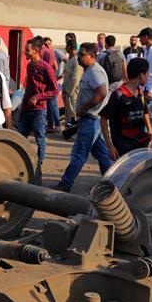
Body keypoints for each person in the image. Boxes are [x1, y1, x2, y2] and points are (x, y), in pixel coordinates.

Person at [53, 43, 113, 192]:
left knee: (79, 154)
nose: (79, 57)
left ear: (91, 56)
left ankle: (65, 184)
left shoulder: (94, 72)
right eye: (79, 54)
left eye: (82, 55)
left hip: (91, 119)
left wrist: (84, 108)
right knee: (102, 155)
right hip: (93, 120)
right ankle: (113, 182)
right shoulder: (90, 70)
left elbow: (102, 93)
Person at [17, 38, 58, 171]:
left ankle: (37, 167)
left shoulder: (46, 68)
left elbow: (55, 91)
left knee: (39, 139)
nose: (24, 53)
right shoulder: (30, 65)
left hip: (39, 110)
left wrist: (38, 97)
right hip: (26, 108)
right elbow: (29, 87)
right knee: (21, 136)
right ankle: (21, 162)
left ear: (36, 51)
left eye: (27, 50)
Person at [100, 57, 152, 159]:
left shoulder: (141, 93)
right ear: (141, 75)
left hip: (141, 146)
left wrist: (150, 129)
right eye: (147, 73)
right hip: (124, 149)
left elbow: (145, 112)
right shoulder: (118, 95)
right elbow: (103, 120)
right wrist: (110, 147)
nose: (148, 76)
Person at [61, 41, 83, 129]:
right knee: (68, 113)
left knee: (72, 113)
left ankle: (72, 133)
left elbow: (75, 78)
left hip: (72, 92)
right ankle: (68, 132)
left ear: (69, 47)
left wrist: (68, 91)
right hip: (68, 91)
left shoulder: (77, 60)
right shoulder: (72, 59)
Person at [43, 37, 62, 131]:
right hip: (52, 81)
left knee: (52, 104)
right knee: (52, 104)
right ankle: (53, 125)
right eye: (46, 44)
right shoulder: (49, 53)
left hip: (52, 82)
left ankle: (54, 125)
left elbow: (56, 66)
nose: (47, 46)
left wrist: (60, 75)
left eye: (49, 44)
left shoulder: (52, 53)